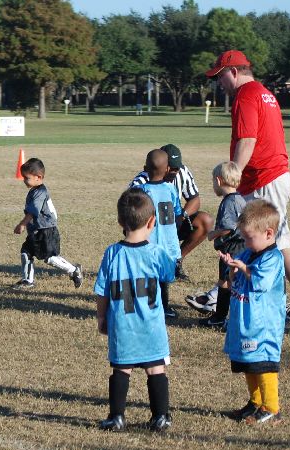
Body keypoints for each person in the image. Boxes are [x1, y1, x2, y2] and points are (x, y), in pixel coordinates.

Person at [205, 49, 290, 320]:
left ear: (234, 72)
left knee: (273, 241)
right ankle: (220, 293)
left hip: (264, 178)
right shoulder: (264, 93)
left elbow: (247, 140)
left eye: (220, 76)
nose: (219, 83)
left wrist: (232, 176)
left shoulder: (245, 95)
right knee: (249, 237)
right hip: (269, 176)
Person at [94, 188, 176, 432]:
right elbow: (169, 274)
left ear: (120, 222)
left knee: (122, 368)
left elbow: (102, 291)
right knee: (156, 368)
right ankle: (160, 417)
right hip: (151, 325)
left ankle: (117, 417)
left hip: (123, 324)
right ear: (152, 222)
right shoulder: (156, 252)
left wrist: (101, 316)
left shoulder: (112, 253)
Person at [218, 200, 286, 425]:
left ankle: (272, 407)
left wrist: (245, 269)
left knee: (263, 363)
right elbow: (235, 281)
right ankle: (255, 402)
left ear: (269, 234)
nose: (245, 243)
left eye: (249, 238)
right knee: (248, 362)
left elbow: (261, 282)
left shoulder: (273, 258)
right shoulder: (248, 253)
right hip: (245, 322)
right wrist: (232, 267)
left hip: (263, 326)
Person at [129, 143, 213, 280]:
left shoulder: (183, 172)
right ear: (163, 166)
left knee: (205, 221)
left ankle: (176, 262)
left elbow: (195, 200)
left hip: (172, 223)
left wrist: (181, 217)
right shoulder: (141, 182)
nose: (174, 172)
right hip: (150, 230)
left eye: (176, 168)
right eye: (171, 168)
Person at [11, 158, 83, 290]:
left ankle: (74, 270)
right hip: (36, 230)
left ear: (38, 177)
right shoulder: (35, 190)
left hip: (46, 230)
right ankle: (28, 280)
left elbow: (33, 211)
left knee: (50, 258)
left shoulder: (40, 192)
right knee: (26, 252)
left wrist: (22, 224)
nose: (24, 180)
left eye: (26, 178)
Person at [191, 162, 247, 329]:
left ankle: (219, 318)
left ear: (218, 180)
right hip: (242, 246)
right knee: (234, 281)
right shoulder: (239, 198)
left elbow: (228, 227)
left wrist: (212, 234)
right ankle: (232, 316)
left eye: (213, 181)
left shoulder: (229, 202)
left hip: (231, 248)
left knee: (225, 282)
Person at [136, 149, 181, 318]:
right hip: (168, 243)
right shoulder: (171, 189)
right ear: (168, 169)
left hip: (148, 242)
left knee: (147, 276)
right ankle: (165, 308)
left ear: (145, 169)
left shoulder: (141, 190)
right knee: (163, 279)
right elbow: (177, 212)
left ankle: (147, 307)